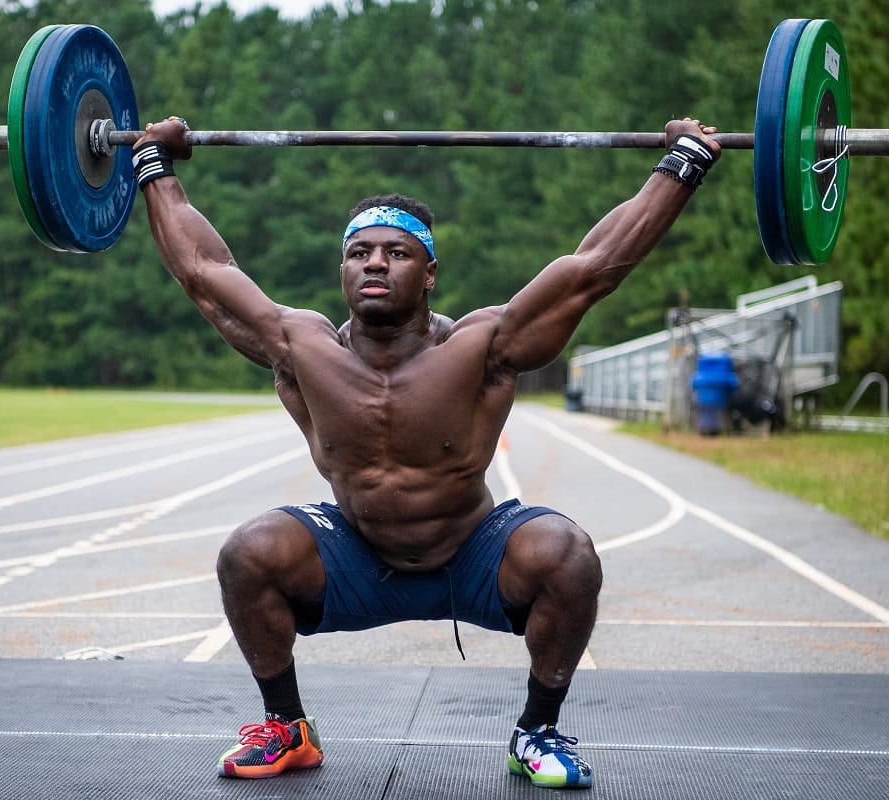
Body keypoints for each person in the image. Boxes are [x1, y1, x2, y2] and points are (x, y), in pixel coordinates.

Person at [131, 116, 720, 789]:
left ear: (430, 271)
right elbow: (206, 273)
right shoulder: (302, 347)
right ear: (343, 268)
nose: (375, 263)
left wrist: (684, 163)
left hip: (471, 553)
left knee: (567, 552)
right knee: (248, 551)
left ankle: (537, 731)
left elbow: (592, 270)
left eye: (397, 252)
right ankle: (288, 728)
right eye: (360, 252)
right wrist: (155, 164)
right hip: (356, 557)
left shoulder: (482, 346)